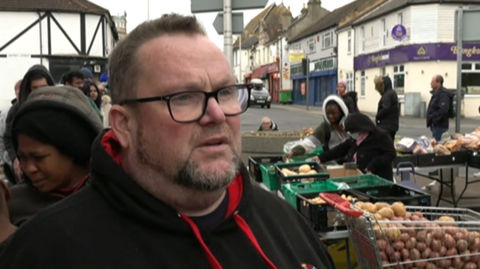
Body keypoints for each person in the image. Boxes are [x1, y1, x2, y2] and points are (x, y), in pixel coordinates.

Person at [0, 14, 335, 269]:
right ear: (124, 125)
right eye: (184, 97)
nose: (217, 113)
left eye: (226, 92)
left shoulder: (286, 225)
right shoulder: (45, 252)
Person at [4, 86, 103, 228]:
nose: (28, 168)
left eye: (39, 157)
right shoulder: (12, 207)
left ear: (74, 149)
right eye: (22, 157)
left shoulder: (114, 197)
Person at [3, 65, 55, 183]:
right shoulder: (17, 110)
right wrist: (15, 159)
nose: (40, 92)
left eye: (43, 87)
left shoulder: (58, 108)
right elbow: (8, 137)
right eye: (35, 88)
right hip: (28, 168)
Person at [314, 112, 396, 181]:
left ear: (361, 129)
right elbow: (340, 149)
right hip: (359, 179)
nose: (351, 134)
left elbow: (391, 154)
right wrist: (321, 158)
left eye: (352, 131)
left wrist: (374, 164)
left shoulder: (381, 136)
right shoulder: (355, 139)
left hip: (378, 180)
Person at [285, 95, 349, 162]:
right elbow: (309, 143)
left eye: (334, 113)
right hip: (334, 163)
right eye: (328, 113)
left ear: (341, 112)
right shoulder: (325, 127)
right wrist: (294, 151)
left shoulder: (350, 122)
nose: (331, 116)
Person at [0, 80, 22, 186]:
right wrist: (2, 162)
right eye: (19, 93)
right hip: (10, 161)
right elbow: (3, 137)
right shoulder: (7, 112)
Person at [374, 76, 399, 141]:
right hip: (392, 125)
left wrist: (378, 116)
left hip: (386, 126)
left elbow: (386, 108)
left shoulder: (387, 95)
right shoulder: (392, 93)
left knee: (385, 144)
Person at [427, 74, 450, 141]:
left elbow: (443, 110)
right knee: (435, 142)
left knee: (438, 144)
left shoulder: (443, 95)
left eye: (433, 82)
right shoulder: (436, 93)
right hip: (436, 125)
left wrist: (435, 120)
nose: (430, 83)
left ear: (438, 83)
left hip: (440, 126)